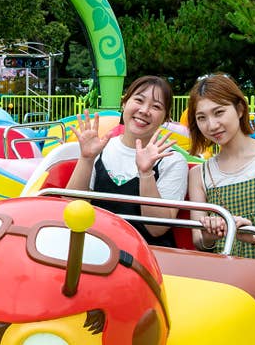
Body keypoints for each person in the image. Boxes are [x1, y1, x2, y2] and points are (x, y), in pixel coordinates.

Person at [186, 73, 255, 269]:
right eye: (201, 118)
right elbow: (199, 241)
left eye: (219, 112)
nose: (212, 125)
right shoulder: (199, 174)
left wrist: (254, 235)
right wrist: (210, 234)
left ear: (239, 109)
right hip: (222, 274)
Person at [67, 75, 188, 246]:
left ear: (166, 118)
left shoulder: (172, 160)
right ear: (124, 103)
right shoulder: (101, 148)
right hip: (98, 249)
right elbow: (70, 208)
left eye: (156, 106)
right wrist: (86, 159)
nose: (144, 110)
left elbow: (157, 229)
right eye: (139, 100)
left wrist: (146, 173)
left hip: (147, 254)